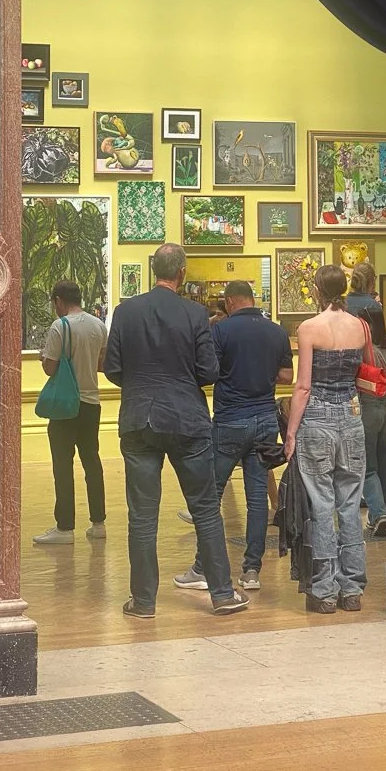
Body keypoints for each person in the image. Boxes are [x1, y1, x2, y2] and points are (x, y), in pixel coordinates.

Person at [104, 243, 249, 618]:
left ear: (155, 270)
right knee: (205, 510)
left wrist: (141, 384)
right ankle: (221, 594)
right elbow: (208, 372)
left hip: (138, 419)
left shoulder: (125, 312)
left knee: (142, 516)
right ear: (182, 272)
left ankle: (143, 602)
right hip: (187, 420)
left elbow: (113, 369)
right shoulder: (195, 313)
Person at [175, 281, 293, 593]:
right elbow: (286, 376)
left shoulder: (221, 332)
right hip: (266, 419)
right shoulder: (277, 331)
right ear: (252, 299)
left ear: (229, 302)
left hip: (229, 420)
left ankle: (203, 567)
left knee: (209, 496)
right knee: (257, 498)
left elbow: (207, 371)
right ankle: (252, 571)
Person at [284, 264, 367, 613]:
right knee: (350, 505)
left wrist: (290, 434)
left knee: (320, 504)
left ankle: (324, 589)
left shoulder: (309, 328)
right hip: (352, 415)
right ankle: (352, 588)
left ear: (317, 289)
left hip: (316, 417)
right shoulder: (360, 326)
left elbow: (303, 386)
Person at [33, 281, 108, 546]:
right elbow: (101, 363)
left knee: (63, 465)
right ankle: (98, 523)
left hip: (66, 405)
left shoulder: (60, 326)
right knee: (92, 461)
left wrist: (44, 358)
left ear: (58, 300)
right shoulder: (98, 325)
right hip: (91, 403)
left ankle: (65, 527)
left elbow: (50, 369)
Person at [344, 262, 386, 538]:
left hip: (363, 406)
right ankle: (385, 511)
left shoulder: (344, 307)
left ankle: (378, 513)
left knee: (366, 465)